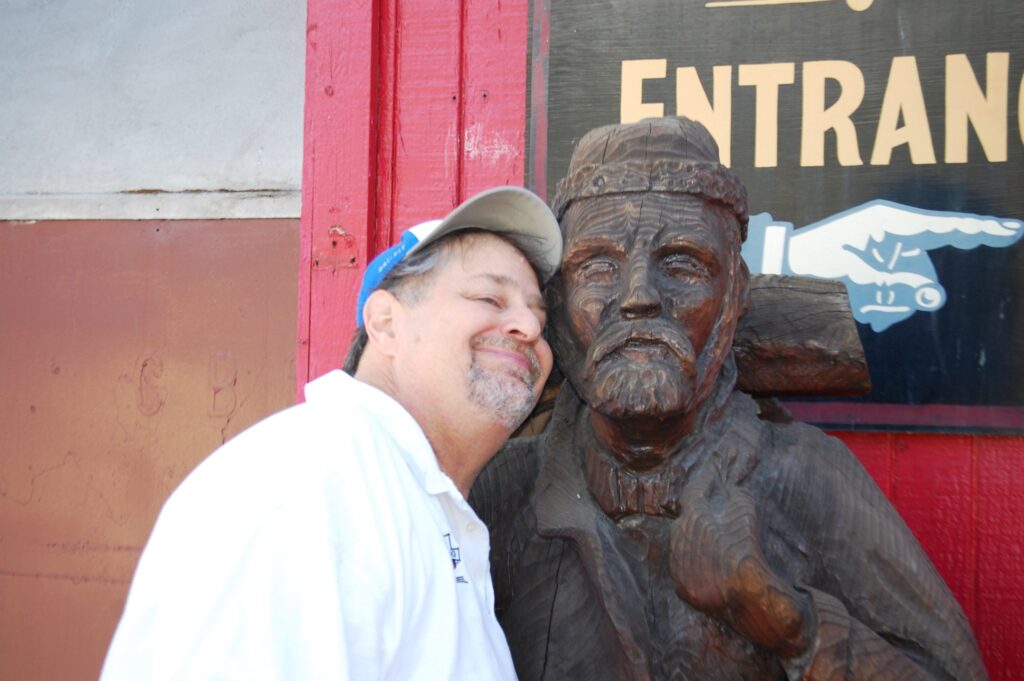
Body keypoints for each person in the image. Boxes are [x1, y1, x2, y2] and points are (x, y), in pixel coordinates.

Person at [470, 119, 989, 680]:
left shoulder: (806, 475)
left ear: (734, 296)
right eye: (598, 267)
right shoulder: (499, 491)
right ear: (560, 303)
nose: (640, 297)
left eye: (682, 264)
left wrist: (791, 624)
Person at [100, 186, 563, 681]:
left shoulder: (412, 502)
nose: (527, 328)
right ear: (385, 324)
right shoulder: (303, 484)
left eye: (539, 316)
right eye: (490, 297)